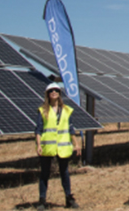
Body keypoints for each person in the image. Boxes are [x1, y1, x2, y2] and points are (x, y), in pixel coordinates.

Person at [35, 83, 81, 211]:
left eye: (56, 90)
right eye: (51, 90)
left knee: (64, 173)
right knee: (44, 173)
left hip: (63, 147)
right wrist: (38, 145)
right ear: (47, 94)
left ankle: (69, 198)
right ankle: (42, 200)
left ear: (60, 93)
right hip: (47, 147)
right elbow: (38, 130)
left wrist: (76, 144)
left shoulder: (66, 110)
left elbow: (71, 129)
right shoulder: (42, 110)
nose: (54, 92)